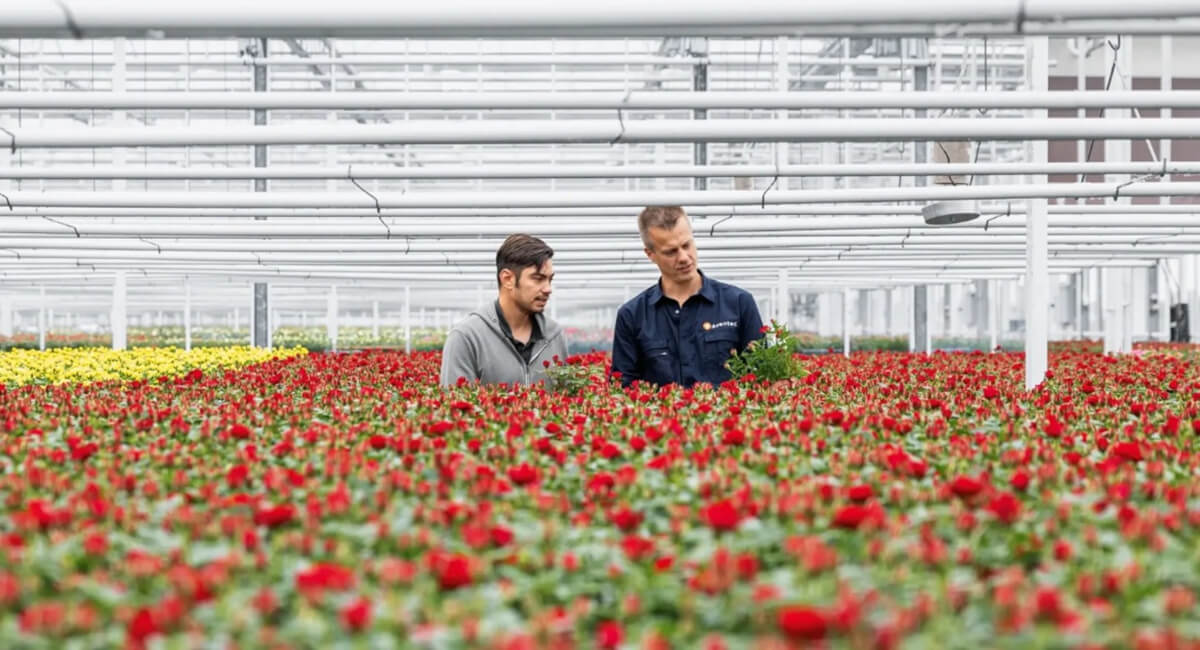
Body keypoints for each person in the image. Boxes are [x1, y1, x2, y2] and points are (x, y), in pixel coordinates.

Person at [611, 206, 764, 388]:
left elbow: (761, 374)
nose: (683, 257)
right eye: (671, 251)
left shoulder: (738, 303)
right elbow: (622, 385)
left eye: (686, 245)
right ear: (650, 254)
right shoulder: (632, 315)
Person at [439, 234, 568, 387]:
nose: (548, 289)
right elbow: (455, 400)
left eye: (550, 279)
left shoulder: (554, 336)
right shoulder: (468, 338)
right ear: (508, 279)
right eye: (538, 279)